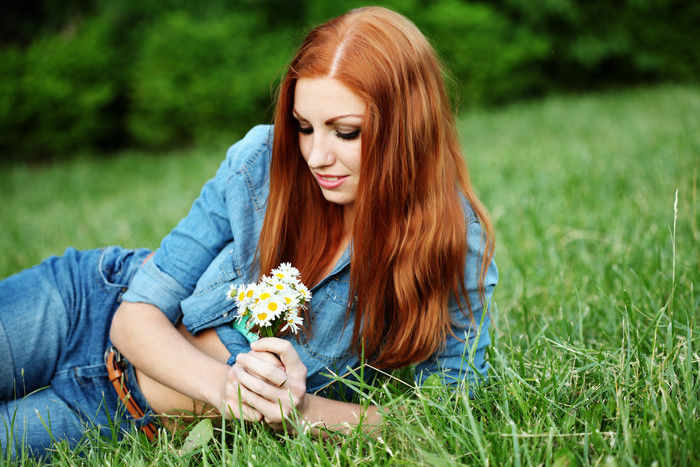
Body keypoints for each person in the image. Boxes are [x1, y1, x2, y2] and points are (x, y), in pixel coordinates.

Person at [0, 6, 497, 458]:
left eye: (345, 132)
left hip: (120, 418)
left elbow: (448, 419)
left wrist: (298, 411)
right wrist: (228, 390)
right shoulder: (263, 160)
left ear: (407, 127)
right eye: (304, 127)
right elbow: (133, 318)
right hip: (84, 304)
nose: (316, 156)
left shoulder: (454, 244)